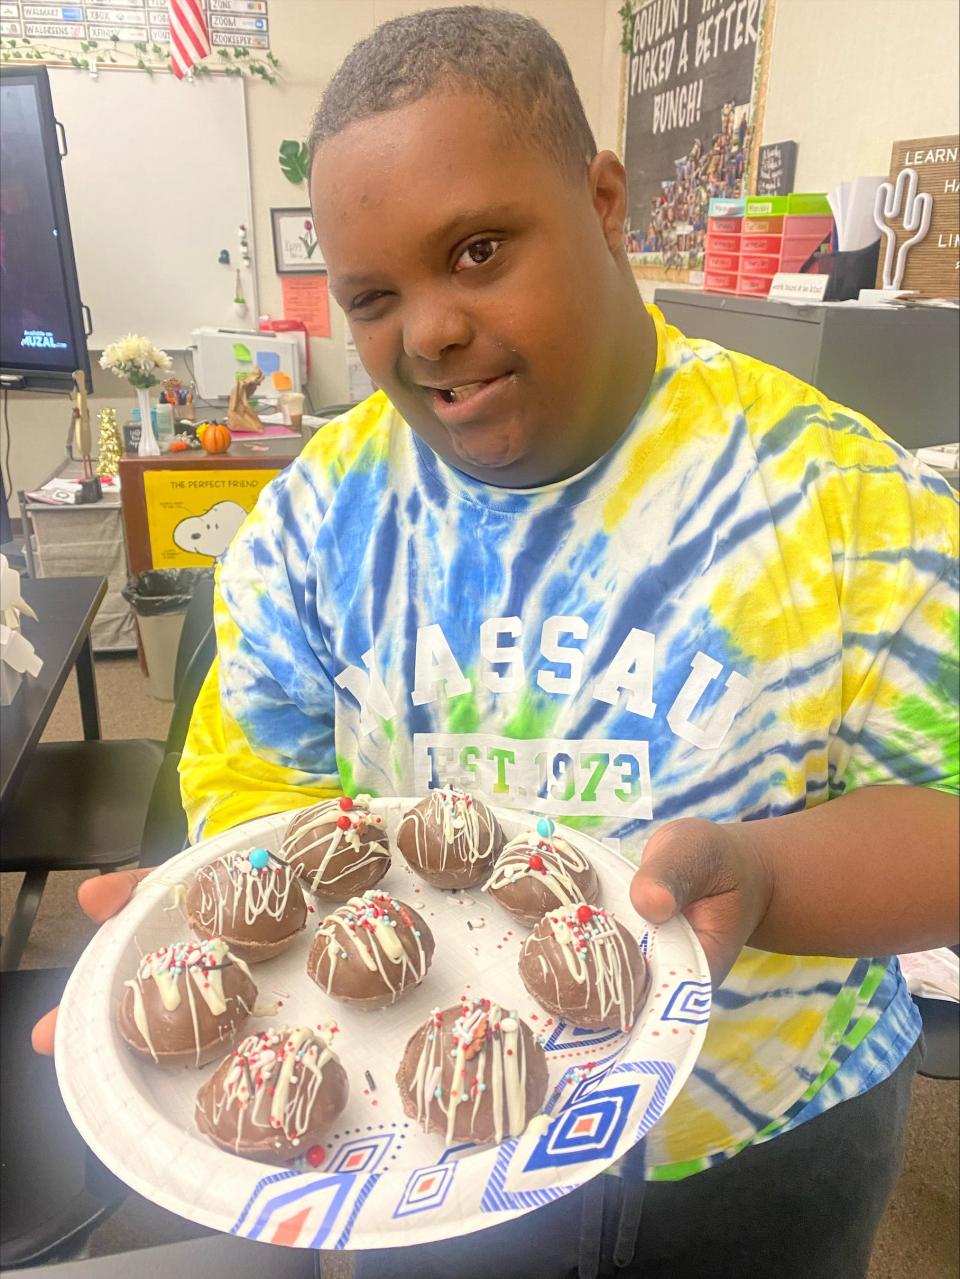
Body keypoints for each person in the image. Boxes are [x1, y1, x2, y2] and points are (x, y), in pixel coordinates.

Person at [34, 8, 958, 1277]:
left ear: (605, 201)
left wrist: (768, 873)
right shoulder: (317, 519)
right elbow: (257, 792)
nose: (428, 331)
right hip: (430, 1158)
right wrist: (223, 919)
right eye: (372, 296)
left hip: (768, 1140)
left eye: (477, 250)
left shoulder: (842, 496)